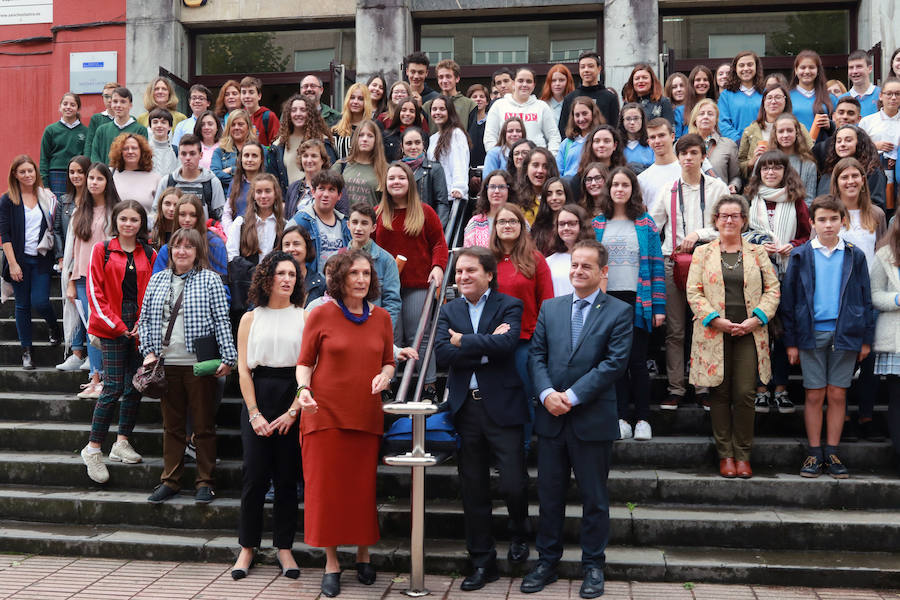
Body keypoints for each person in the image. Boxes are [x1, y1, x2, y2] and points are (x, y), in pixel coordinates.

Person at [521, 239, 632, 598]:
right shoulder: (551, 308)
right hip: (551, 419)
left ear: (603, 272)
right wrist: (545, 394)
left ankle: (593, 566)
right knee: (549, 495)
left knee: (594, 498)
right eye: (574, 265)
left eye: (586, 266)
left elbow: (613, 364)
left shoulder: (618, 311)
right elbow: (536, 355)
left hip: (592, 420)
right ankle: (547, 562)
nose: (578, 271)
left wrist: (569, 396)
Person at [296, 249, 394, 597]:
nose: (362, 280)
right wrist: (303, 389)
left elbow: (388, 361)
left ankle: (364, 555)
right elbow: (304, 361)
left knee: (362, 489)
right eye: (354, 273)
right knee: (327, 492)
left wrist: (385, 376)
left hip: (365, 414)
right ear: (340, 278)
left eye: (367, 273)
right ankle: (332, 562)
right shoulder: (320, 314)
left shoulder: (382, 317)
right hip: (324, 414)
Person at [433, 246, 530, 591]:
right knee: (473, 489)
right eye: (458, 272)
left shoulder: (509, 305)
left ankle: (520, 531)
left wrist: (465, 343)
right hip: (466, 410)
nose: (462, 278)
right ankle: (482, 562)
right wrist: (483, 344)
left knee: (513, 484)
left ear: (489, 274)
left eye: (470, 271)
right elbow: (443, 353)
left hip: (503, 406)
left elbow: (507, 347)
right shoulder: (450, 310)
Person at [141, 227, 236, 504]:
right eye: (177, 246)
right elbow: (145, 320)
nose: (182, 251)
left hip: (200, 365)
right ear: (170, 250)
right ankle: (170, 480)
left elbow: (221, 321)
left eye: (188, 247)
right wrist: (147, 352)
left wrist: (228, 358)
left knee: (204, 425)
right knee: (172, 426)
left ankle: (205, 481)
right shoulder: (157, 280)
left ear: (197, 252)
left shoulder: (210, 280)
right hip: (165, 364)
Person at [687, 194, 779, 479]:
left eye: (735, 215)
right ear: (715, 220)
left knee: (745, 393)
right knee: (720, 391)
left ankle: (743, 453)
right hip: (715, 331)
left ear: (743, 220)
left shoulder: (757, 252)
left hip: (750, 332)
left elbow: (773, 289)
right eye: (724, 215)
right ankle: (725, 455)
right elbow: (694, 291)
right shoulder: (703, 253)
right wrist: (717, 320)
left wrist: (756, 319)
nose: (729, 220)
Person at [782, 195, 874, 479]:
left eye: (834, 219)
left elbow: (865, 298)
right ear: (812, 223)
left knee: (837, 393)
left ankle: (832, 450)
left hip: (845, 333)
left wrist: (866, 338)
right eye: (822, 219)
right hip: (810, 333)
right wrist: (791, 342)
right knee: (814, 393)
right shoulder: (800, 256)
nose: (828, 224)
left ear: (842, 221)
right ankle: (813, 452)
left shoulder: (853, 255)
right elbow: (790, 301)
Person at [230, 251, 306, 581]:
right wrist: (254, 413)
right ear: (267, 278)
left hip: (293, 396)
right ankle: (247, 547)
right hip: (258, 396)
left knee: (288, 479)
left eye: (292, 274)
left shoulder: (304, 317)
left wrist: (294, 411)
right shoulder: (250, 318)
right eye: (281, 273)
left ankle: (284, 547)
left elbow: (310, 368)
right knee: (254, 477)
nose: (287, 279)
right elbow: (244, 372)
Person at [78, 201, 157, 483]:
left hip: (139, 325)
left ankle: (122, 442)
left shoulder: (149, 251)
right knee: (112, 386)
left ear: (141, 223)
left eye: (134, 220)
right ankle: (93, 448)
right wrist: (120, 326)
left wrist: (141, 324)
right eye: (123, 218)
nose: (128, 224)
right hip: (111, 325)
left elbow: (153, 291)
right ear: (116, 220)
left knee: (135, 385)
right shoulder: (102, 250)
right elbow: (94, 293)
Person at [650, 134, 729, 410]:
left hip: (708, 261)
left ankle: (703, 387)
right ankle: (675, 388)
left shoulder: (718, 188)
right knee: (675, 330)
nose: (688, 158)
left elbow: (729, 224)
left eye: (693, 153)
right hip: (673, 261)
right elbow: (652, 225)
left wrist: (699, 233)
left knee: (705, 326)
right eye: (683, 153)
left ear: (703, 155)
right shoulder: (669, 189)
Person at [593, 167, 665, 441]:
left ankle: (643, 418)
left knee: (637, 361)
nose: (620, 189)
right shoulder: (598, 224)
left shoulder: (646, 224)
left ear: (633, 189)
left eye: (625, 185)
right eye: (615, 185)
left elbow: (657, 268)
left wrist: (658, 308)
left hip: (638, 300)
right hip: (608, 300)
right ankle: (621, 417)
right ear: (608, 190)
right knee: (616, 362)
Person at [743, 150, 811, 412]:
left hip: (788, 274)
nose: (770, 173)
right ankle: (760, 387)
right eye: (765, 168)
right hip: (757, 275)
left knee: (782, 332)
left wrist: (792, 246)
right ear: (758, 172)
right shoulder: (750, 198)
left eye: (776, 168)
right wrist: (760, 245)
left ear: (785, 171)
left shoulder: (797, 201)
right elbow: (741, 233)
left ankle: (781, 388)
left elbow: (807, 237)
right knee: (760, 331)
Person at [375, 162, 448, 403]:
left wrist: (438, 266)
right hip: (387, 287)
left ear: (410, 183)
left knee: (420, 336)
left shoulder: (425, 211)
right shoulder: (377, 213)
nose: (396, 182)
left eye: (401, 178)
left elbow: (439, 242)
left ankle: (428, 386)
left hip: (417, 283)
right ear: (385, 183)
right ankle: (389, 383)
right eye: (392, 178)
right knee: (390, 336)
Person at [489, 202, 553, 452]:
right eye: (502, 221)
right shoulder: (486, 260)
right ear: (495, 227)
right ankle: (497, 451)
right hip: (491, 342)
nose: (507, 226)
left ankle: (522, 449)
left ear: (521, 226)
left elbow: (547, 302)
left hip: (526, 341)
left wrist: (541, 338)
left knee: (523, 396)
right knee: (493, 397)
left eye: (512, 221)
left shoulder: (535, 259)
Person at [831, 157, 887, 440]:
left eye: (856, 176)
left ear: (863, 180)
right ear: (836, 181)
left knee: (870, 359)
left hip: (869, 295)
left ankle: (866, 415)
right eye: (845, 177)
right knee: (843, 358)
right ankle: (845, 415)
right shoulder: (830, 212)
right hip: (838, 295)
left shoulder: (875, 214)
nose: (851, 181)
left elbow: (883, 255)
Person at [0, 155, 60, 369]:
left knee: (41, 302)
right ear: (15, 175)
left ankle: (54, 327)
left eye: (30, 170)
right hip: (19, 259)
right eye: (22, 171)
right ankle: (27, 351)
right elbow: (4, 234)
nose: (27, 175)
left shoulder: (47, 197)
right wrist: (13, 263)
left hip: (42, 258)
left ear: (36, 172)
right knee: (22, 306)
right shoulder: (8, 199)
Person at [870, 217, 900, 468]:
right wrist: (897, 299)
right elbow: (874, 295)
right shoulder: (885, 254)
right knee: (898, 399)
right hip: (896, 339)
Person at [738, 84, 813, 178]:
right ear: (763, 102)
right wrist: (752, 162)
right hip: (760, 183)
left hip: (795, 178)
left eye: (778, 97)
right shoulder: (750, 130)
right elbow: (739, 166)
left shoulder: (799, 127)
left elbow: (810, 153)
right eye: (769, 98)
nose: (773, 101)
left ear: (786, 101)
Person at [153, 194, 229, 286]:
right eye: (182, 214)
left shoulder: (215, 244)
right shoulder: (167, 249)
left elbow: (223, 285)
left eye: (193, 215)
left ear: (199, 217)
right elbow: (155, 285)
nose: (187, 219)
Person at [346, 202, 401, 326]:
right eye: (355, 222)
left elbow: (392, 302)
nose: (358, 228)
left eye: (364, 223)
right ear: (348, 225)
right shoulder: (338, 258)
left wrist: (383, 331)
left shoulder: (386, 260)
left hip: (374, 326)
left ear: (373, 227)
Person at [484, 67, 561, 155]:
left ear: (534, 85)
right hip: (506, 163)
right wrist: (497, 158)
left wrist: (549, 159)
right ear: (513, 83)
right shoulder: (498, 106)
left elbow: (554, 136)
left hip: (535, 163)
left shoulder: (542, 107)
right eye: (520, 81)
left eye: (529, 81)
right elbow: (490, 137)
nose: (524, 84)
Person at [155, 134, 227, 222]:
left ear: (201, 155)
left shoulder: (212, 182)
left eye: (192, 153)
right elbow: (156, 212)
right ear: (179, 155)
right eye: (183, 154)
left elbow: (220, 215)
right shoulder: (167, 181)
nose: (188, 158)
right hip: (172, 234)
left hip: (203, 234)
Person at [292, 170, 351, 275]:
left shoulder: (346, 224)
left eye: (331, 190)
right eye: (321, 189)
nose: (326, 194)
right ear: (313, 192)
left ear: (339, 195)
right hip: (311, 287)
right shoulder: (300, 221)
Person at [817, 124, 887, 210]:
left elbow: (877, 205)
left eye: (848, 140)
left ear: (860, 143)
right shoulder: (829, 170)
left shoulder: (872, 171)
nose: (842, 144)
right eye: (839, 141)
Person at [859, 77, 900, 210]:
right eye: (889, 94)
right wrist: (875, 146)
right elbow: (858, 148)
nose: (893, 98)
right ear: (881, 96)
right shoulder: (868, 121)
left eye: (897, 94)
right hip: (875, 172)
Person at [331, 119, 388, 212]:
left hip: (372, 223)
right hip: (344, 223)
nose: (365, 139)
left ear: (376, 140)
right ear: (355, 138)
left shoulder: (386, 169)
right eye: (361, 135)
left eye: (370, 136)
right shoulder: (341, 165)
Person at [227, 173, 286, 263]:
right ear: (253, 195)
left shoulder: (284, 225)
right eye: (259, 192)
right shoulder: (240, 223)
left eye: (268, 191)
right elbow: (232, 256)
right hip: (246, 275)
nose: (263, 196)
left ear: (275, 194)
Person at [557, 51, 619, 136]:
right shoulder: (570, 98)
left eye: (590, 66)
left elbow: (614, 127)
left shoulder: (610, 98)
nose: (586, 70)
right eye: (582, 67)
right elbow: (563, 128)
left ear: (599, 69)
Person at [688, 99, 742, 193]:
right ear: (695, 120)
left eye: (710, 114)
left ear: (716, 120)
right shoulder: (683, 145)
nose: (706, 117)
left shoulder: (728, 145)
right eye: (701, 114)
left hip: (719, 198)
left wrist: (734, 185)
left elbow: (736, 177)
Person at [428, 95, 472, 212]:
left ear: (450, 111)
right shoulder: (433, 138)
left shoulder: (456, 134)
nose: (437, 112)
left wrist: (459, 188)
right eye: (434, 109)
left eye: (442, 109)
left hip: (452, 197)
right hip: (437, 197)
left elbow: (460, 163)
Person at [40, 92, 87, 199]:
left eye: (72, 104)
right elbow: (44, 159)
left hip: (78, 175)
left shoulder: (86, 131)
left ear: (78, 108)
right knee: (57, 212)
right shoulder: (50, 130)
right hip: (56, 176)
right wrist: (45, 185)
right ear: (60, 107)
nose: (68, 107)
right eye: (65, 104)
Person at [401, 127, 450, 228]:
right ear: (402, 147)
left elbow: (442, 204)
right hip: (400, 227)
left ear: (423, 145)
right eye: (409, 143)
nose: (413, 147)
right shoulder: (395, 169)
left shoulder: (435, 169)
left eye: (417, 142)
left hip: (426, 228)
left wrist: (436, 230)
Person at [90, 87, 150, 164]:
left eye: (123, 102)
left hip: (131, 174)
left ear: (130, 105)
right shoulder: (102, 130)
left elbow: (143, 156)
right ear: (111, 104)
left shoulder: (140, 130)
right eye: (115, 101)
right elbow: (95, 155)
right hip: (106, 174)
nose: (118, 105)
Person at [768, 113, 819, 203]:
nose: (785, 135)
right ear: (775, 134)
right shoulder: (765, 161)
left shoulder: (808, 164)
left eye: (790, 130)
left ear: (797, 132)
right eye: (781, 131)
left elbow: (809, 200)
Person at [545, 203, 593, 297]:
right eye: (562, 224)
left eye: (571, 223)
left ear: (582, 225)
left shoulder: (594, 258)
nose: (566, 228)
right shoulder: (548, 262)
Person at [718, 51, 765, 143]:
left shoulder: (766, 93)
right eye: (741, 65)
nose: (746, 68)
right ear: (735, 69)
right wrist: (740, 141)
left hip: (762, 145)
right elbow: (723, 124)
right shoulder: (726, 95)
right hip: (735, 145)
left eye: (750, 64)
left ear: (756, 67)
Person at [110, 133, 160, 216]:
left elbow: (158, 211)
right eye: (125, 148)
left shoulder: (156, 179)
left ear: (142, 151)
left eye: (134, 148)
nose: (130, 152)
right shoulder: (110, 175)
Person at [464, 170, 517, 248]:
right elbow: (468, 256)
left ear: (509, 191)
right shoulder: (474, 223)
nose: (496, 191)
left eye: (501, 187)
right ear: (486, 191)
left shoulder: (519, 220)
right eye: (492, 187)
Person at [637, 118, 681, 211]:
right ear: (649, 142)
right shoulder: (642, 179)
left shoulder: (688, 170)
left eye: (661, 135)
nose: (657, 141)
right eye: (652, 137)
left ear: (672, 137)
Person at [789, 50, 837, 135]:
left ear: (818, 70)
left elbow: (840, 127)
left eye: (811, 67)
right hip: (795, 147)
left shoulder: (830, 98)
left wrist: (830, 125)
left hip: (823, 146)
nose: (807, 71)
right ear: (796, 70)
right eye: (802, 67)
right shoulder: (787, 97)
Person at [278, 222, 325, 305]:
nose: (291, 249)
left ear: (307, 247)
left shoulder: (320, 284)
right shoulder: (271, 281)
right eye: (287, 244)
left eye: (296, 244)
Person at [423, 59, 477, 131]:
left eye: (448, 76)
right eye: (441, 77)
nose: (444, 81)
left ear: (457, 78)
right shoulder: (427, 106)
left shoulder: (469, 105)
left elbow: (472, 136)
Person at [222, 142, 265, 231]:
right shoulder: (235, 183)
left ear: (261, 160)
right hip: (237, 233)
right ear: (241, 159)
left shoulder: (267, 184)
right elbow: (227, 213)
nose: (250, 159)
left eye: (254, 156)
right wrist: (232, 233)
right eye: (246, 155)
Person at [284, 139, 332, 218]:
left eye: (314, 156)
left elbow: (343, 218)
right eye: (305, 156)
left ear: (322, 160)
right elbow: (287, 219)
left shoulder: (334, 186)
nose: (309, 160)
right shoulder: (293, 188)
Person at [212, 109, 257, 190]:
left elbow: (262, 174)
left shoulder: (259, 150)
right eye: (233, 125)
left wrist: (231, 170)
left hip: (254, 196)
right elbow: (214, 174)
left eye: (240, 124)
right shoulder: (220, 151)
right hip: (226, 198)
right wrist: (244, 181)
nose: (236, 128)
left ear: (248, 126)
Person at [558, 98, 602, 178]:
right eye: (577, 115)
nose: (581, 119)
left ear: (593, 113)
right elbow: (558, 171)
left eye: (585, 113)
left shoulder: (599, 141)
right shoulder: (566, 143)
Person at [813, 96, 862, 169]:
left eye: (850, 113)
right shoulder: (821, 149)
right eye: (841, 113)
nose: (845, 117)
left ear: (859, 119)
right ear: (834, 117)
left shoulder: (866, 147)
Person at [531, 178, 574, 256]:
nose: (554, 198)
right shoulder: (538, 226)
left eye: (559, 193)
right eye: (549, 194)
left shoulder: (576, 223)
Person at [515, 148, 559, 224]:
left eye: (545, 166)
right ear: (526, 169)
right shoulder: (515, 197)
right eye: (535, 165)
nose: (540, 170)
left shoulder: (559, 197)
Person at [332, 83, 374, 160]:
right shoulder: (335, 127)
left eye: (360, 99)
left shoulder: (374, 127)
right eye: (352, 97)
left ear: (366, 102)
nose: (355, 102)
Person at [382, 98, 429, 162]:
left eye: (412, 111)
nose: (407, 114)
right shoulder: (386, 136)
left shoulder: (424, 136)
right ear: (398, 112)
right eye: (404, 110)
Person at [83, 82, 119, 162]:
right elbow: (89, 144)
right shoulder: (96, 119)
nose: (109, 100)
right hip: (100, 165)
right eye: (106, 96)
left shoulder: (129, 120)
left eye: (112, 96)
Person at [240, 76, 280, 147]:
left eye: (251, 92)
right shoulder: (239, 117)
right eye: (244, 92)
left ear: (259, 96)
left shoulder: (269, 116)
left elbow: (276, 144)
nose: (247, 96)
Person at [840, 50, 880, 118]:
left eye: (859, 67)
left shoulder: (882, 95)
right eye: (851, 67)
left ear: (869, 69)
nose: (854, 71)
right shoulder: (842, 99)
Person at [618, 103, 654, 174]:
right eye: (628, 119)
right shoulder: (616, 144)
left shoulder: (651, 142)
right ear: (622, 121)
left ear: (642, 120)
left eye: (636, 118)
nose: (632, 122)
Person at [147, 108, 178, 177]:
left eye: (163, 122)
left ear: (170, 127)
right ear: (150, 126)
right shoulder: (144, 150)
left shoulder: (177, 151)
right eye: (155, 122)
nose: (159, 125)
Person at [467, 83, 489, 168]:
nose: (478, 99)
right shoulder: (465, 122)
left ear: (487, 101)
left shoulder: (491, 121)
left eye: (482, 96)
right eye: (474, 97)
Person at [665, 72, 691, 137]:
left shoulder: (694, 108)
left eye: (682, 86)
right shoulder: (666, 110)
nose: (679, 89)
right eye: (674, 87)